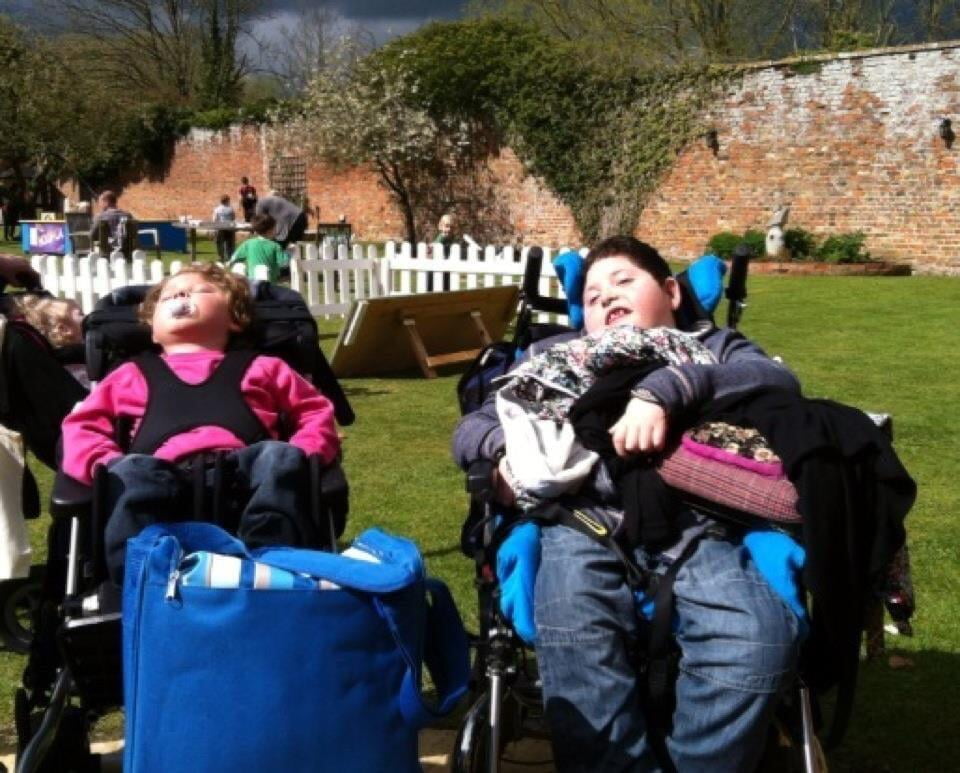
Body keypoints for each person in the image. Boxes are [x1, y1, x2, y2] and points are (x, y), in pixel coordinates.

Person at [452, 235, 803, 772]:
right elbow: (473, 427)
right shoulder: (553, 356)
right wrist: (506, 457)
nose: (607, 299)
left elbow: (777, 380)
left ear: (671, 292)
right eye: (592, 296)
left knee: (755, 639)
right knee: (574, 630)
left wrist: (666, 388)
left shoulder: (716, 348)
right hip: (580, 523)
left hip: (698, 529)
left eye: (624, 282)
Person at [61, 263, 340, 583]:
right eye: (169, 296)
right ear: (152, 328)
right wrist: (107, 464)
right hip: (160, 480)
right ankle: (142, 573)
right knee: (130, 470)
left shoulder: (266, 367)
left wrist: (305, 453)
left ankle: (268, 558)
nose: (181, 295)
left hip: (246, 477)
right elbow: (83, 425)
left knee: (279, 455)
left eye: (201, 290)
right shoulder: (129, 374)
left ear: (235, 318)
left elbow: (314, 412)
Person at [228, 214, 290, 282]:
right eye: (275, 228)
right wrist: (289, 252)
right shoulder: (275, 246)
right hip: (270, 282)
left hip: (253, 282)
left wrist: (230, 263)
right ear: (270, 230)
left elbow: (235, 257)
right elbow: (284, 263)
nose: (276, 230)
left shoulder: (248, 243)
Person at [212, 194, 237, 262]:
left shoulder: (217, 209)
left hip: (220, 229)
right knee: (230, 244)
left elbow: (214, 220)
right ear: (227, 201)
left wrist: (215, 230)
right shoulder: (231, 209)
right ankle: (230, 257)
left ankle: (221, 257)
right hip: (229, 229)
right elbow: (233, 218)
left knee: (220, 244)